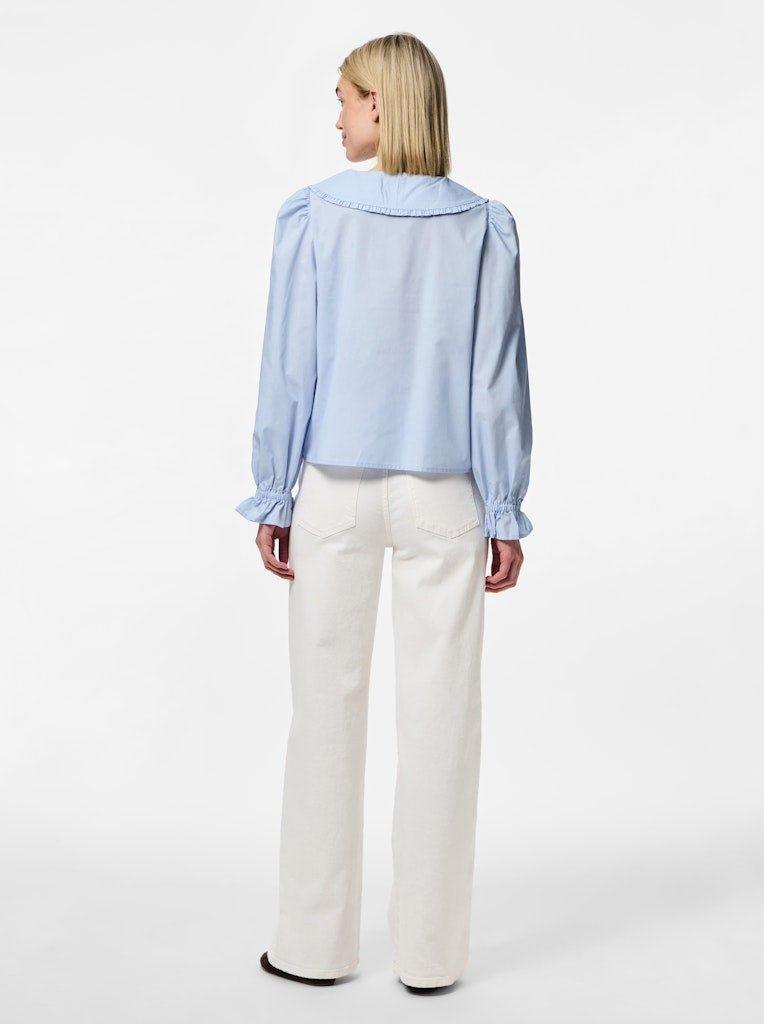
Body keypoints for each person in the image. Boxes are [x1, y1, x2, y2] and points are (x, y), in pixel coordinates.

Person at [236, 32, 533, 993]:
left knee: (324, 712)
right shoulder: (481, 225)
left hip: (333, 490)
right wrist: (504, 507)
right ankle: (432, 957)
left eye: (345, 97)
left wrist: (274, 489)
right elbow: (496, 382)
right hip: (445, 493)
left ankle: (312, 946)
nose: (336, 117)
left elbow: (290, 367)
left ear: (380, 104)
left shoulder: (316, 216)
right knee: (443, 718)